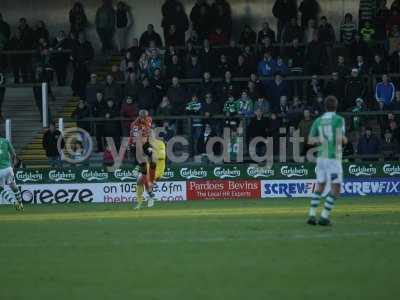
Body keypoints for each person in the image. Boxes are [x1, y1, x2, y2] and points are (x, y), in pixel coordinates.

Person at [307, 95, 347, 226]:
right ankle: (324, 216)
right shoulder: (339, 119)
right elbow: (340, 139)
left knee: (320, 185)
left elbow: (310, 140)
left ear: (325, 107)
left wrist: (322, 141)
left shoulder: (318, 120)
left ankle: (312, 215)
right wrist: (345, 140)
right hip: (333, 157)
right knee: (336, 189)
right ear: (336, 106)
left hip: (321, 156)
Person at [135, 134, 166, 209]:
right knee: (139, 181)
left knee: (148, 182)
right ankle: (140, 202)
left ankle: (150, 196)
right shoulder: (146, 145)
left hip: (158, 169)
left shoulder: (160, 143)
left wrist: (152, 153)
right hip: (149, 167)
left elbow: (162, 156)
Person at [0, 136, 23, 211]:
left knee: (1, 189)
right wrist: (13, 164)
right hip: (8, 168)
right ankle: (21, 204)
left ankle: (14, 202)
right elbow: (14, 154)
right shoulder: (6, 141)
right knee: (13, 186)